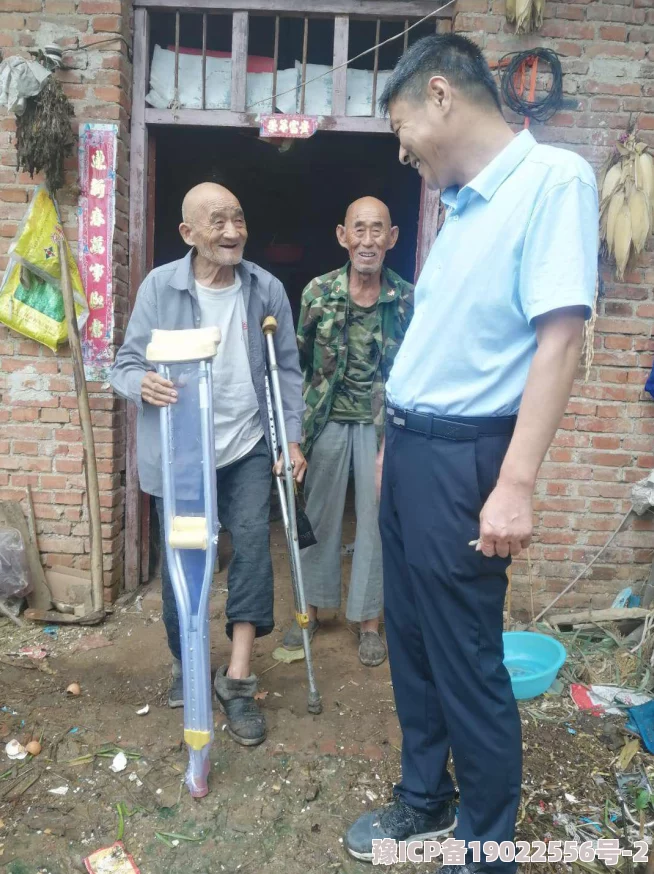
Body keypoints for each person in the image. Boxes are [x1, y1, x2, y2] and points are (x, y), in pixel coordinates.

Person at [345, 35, 598, 872]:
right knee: (414, 643)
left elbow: (560, 340)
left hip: (467, 462)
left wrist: (516, 483)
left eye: (400, 126)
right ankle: (426, 802)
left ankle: (491, 849)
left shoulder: (551, 181)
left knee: (467, 658)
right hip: (414, 450)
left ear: (442, 95)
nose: (402, 148)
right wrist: (395, 440)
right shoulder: (459, 204)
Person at [110, 183, 306, 747]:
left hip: (246, 444)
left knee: (249, 546)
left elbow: (286, 370)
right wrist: (140, 382)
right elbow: (125, 362)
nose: (232, 231)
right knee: (184, 557)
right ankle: (185, 658)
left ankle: (238, 678)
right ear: (188, 233)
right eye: (217, 221)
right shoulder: (160, 287)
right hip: (182, 450)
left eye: (238, 219)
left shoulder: (264, 288)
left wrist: (289, 437)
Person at [282, 197, 414, 667]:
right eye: (359, 229)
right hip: (328, 419)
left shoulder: (406, 298)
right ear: (343, 236)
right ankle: (311, 610)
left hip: (382, 426)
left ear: (392, 238)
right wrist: (293, 435)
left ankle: (369, 622)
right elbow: (295, 365)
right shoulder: (318, 292)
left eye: (378, 230)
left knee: (378, 519)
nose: (368, 240)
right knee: (318, 518)